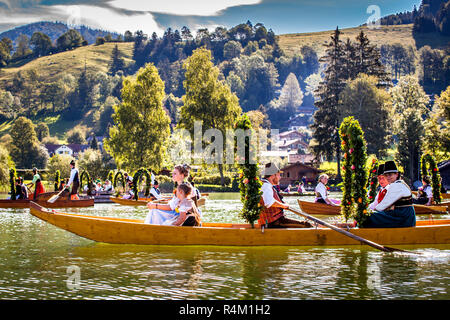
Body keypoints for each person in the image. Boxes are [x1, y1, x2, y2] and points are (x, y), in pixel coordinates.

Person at [360, 160, 416, 228]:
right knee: (373, 215)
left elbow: (382, 206)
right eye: (386, 175)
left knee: (369, 217)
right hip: (403, 215)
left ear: (396, 174)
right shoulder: (399, 183)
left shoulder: (397, 186)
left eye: (390, 175)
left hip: (403, 218)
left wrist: (368, 213)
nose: (388, 178)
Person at [258, 162, 311, 228]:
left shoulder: (267, 185)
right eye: (279, 175)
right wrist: (284, 205)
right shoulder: (266, 186)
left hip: (275, 221)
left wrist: (282, 204)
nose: (280, 177)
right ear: (273, 175)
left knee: (306, 224)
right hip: (273, 222)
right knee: (306, 225)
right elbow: (269, 203)